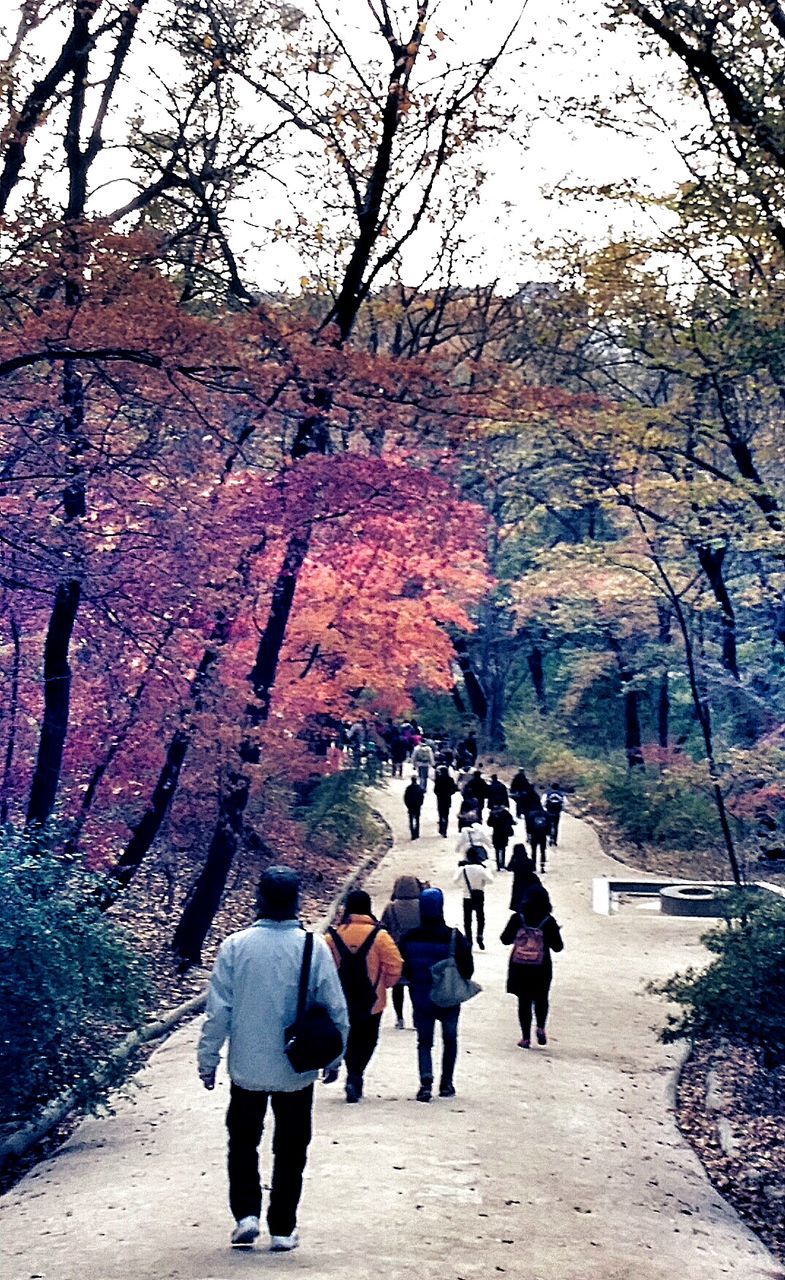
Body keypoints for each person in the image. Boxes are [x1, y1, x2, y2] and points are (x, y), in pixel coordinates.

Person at [197, 866, 349, 1253]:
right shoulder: (314, 948)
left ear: (258, 899)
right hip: (294, 1069)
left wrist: (208, 1058)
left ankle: (246, 1215)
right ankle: (282, 1227)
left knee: (243, 1142)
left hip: (246, 1068)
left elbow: (219, 1011)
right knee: (292, 1146)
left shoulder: (235, 946)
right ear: (297, 901)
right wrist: (336, 1056)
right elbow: (335, 1008)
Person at [326, 889, 403, 1102]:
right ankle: (356, 1073)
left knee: (348, 1036)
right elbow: (395, 966)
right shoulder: (380, 937)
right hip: (372, 1001)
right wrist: (383, 985)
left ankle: (349, 1069)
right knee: (368, 1038)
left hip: (340, 1000)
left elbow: (323, 969)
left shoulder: (332, 937)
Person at [399, 888, 474, 1101]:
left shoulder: (410, 937)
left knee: (424, 1041)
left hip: (421, 997)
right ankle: (447, 1083)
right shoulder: (454, 937)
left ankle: (425, 1080)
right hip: (448, 996)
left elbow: (404, 969)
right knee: (450, 1039)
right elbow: (468, 969)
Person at [500, 883, 563, 1048]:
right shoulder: (548, 921)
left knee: (524, 1001)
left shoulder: (517, 918)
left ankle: (525, 1037)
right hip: (541, 966)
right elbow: (558, 947)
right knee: (541, 997)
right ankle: (541, 1027)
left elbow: (504, 939)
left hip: (520, 966)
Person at [380, 875, 423, 1028]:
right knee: (415, 986)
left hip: (396, 950)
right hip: (416, 951)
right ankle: (417, 1017)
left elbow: (382, 928)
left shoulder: (391, 907)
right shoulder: (421, 906)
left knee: (398, 987)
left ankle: (399, 1018)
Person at [453, 846, 494, 949]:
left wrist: (463, 885)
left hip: (467, 896)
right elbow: (490, 880)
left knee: (467, 919)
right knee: (480, 917)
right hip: (479, 894)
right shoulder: (481, 868)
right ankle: (480, 935)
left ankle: (469, 939)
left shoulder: (463, 869)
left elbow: (455, 880)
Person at [507, 843, 546, 911]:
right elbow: (533, 869)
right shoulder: (529, 861)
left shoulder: (515, 862)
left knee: (518, 903)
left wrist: (512, 858)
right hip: (528, 883)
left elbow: (509, 868)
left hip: (517, 884)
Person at [488, 803, 516, 870]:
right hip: (504, 833)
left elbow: (489, 823)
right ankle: (502, 864)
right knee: (503, 849)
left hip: (496, 832)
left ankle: (498, 865)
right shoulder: (505, 812)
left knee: (497, 849)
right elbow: (512, 821)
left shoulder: (493, 813)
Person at [433, 762, 459, 837]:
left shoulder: (439, 779)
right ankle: (445, 831)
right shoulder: (450, 779)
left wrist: (438, 794)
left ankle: (441, 828)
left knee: (441, 814)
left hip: (440, 798)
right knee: (446, 815)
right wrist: (450, 793)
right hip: (447, 798)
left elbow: (435, 790)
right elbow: (454, 789)